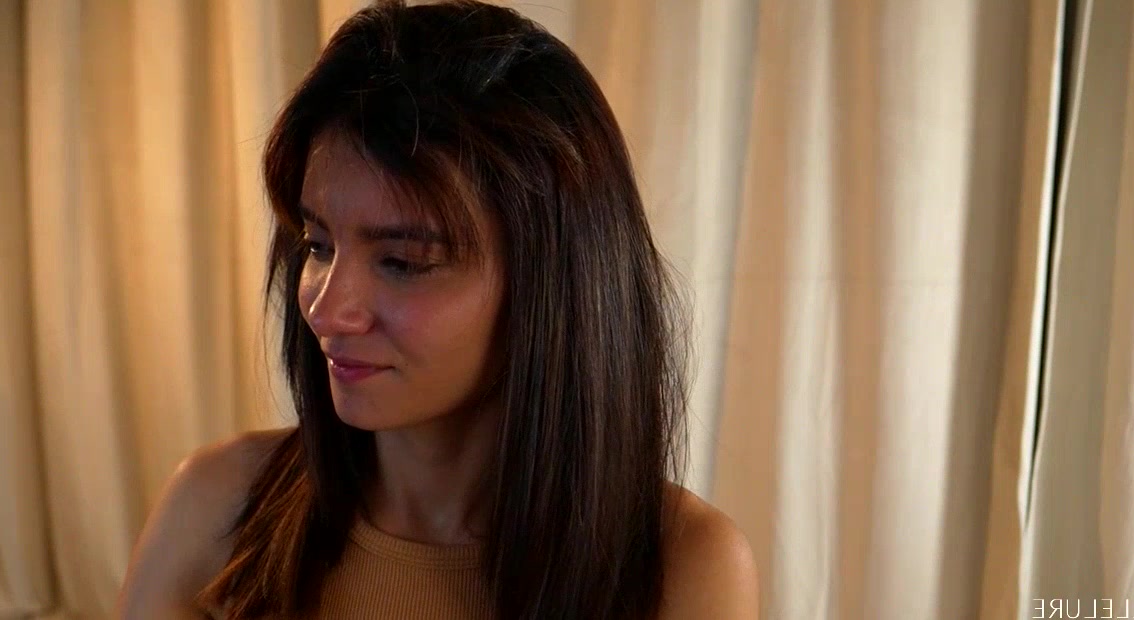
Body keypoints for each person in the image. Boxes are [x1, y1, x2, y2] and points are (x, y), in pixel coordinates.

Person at [116, 1, 757, 618]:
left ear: (551, 285)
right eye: (318, 245)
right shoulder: (215, 509)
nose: (327, 311)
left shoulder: (683, 565)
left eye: (402, 262)